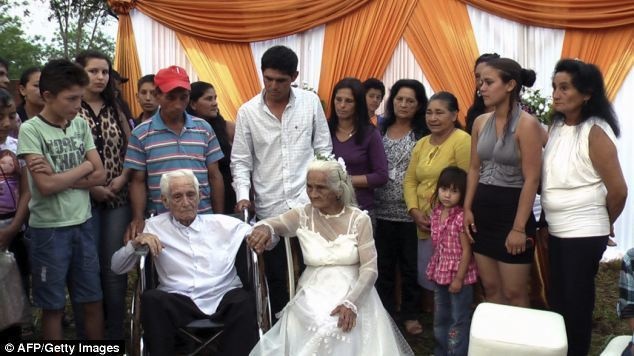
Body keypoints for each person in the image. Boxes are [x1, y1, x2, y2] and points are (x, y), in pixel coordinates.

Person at [248, 158, 414, 355]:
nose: (312, 194)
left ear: (338, 190)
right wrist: (265, 228)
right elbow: (273, 223)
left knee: (340, 326)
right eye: (309, 186)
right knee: (318, 321)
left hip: (354, 290)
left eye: (321, 188)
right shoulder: (303, 215)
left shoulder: (359, 219)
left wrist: (352, 302)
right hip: (312, 290)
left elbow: (370, 269)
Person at [231, 45, 332, 318]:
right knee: (277, 276)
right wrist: (243, 194)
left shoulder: (310, 103)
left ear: (295, 76)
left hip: (309, 204)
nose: (274, 86)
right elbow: (241, 161)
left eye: (281, 80)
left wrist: (323, 190)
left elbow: (323, 149)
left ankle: (315, 331)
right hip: (270, 206)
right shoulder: (248, 112)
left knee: (316, 271)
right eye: (268, 79)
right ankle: (281, 333)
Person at [112, 169, 259, 356]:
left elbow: (264, 235)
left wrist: (265, 231)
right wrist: (135, 244)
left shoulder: (223, 224)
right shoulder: (153, 227)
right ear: (165, 201)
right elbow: (117, 267)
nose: (186, 202)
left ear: (199, 197)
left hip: (223, 295)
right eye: (177, 197)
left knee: (245, 301)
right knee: (151, 300)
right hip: (178, 300)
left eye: (191, 195)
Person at [542, 58, 627, 356]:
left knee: (576, 303)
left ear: (587, 93)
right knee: (560, 299)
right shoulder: (556, 127)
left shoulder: (595, 131)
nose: (556, 94)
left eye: (565, 88)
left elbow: (618, 190)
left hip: (584, 231)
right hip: (557, 229)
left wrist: (603, 223)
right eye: (555, 87)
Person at [17, 59, 107, 340]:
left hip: (84, 222)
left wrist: (61, 177)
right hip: (49, 230)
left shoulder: (79, 125)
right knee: (53, 306)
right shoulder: (31, 130)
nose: (78, 105)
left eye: (80, 97)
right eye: (71, 99)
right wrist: (82, 168)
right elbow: (44, 186)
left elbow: (101, 173)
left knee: (92, 299)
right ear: (48, 96)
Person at [463, 57, 543, 308]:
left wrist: (519, 228)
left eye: (488, 82)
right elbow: (474, 168)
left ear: (509, 85)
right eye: (480, 82)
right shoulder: (479, 122)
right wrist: (466, 208)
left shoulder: (528, 124)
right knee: (492, 290)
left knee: (515, 294)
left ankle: (520, 347)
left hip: (512, 214)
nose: (481, 88)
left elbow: (532, 178)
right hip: (482, 214)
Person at [124, 65, 225, 242]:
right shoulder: (141, 134)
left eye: (183, 97)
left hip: (202, 217)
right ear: (157, 95)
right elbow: (138, 181)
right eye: (171, 97)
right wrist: (138, 217)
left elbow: (215, 176)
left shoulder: (203, 128)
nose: (178, 104)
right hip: (162, 223)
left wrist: (218, 217)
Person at [74, 50, 132, 340]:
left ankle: (116, 334)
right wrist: (92, 186)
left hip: (118, 199)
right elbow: (66, 157)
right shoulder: (71, 106)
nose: (100, 77)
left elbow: (131, 150)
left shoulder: (117, 106)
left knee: (114, 267)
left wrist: (121, 180)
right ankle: (88, 337)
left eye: (105, 72)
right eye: (93, 71)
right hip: (81, 199)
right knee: (87, 268)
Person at [403, 91, 470, 316]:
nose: (432, 118)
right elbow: (410, 179)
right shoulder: (421, 143)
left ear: (453, 115)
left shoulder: (462, 140)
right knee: (430, 272)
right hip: (424, 222)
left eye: (439, 112)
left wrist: (454, 216)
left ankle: (456, 322)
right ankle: (439, 320)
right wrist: (414, 210)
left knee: (452, 271)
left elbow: (468, 181)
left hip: (452, 225)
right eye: (429, 112)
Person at [374, 79, 428, 335]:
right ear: (392, 100)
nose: (403, 104)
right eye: (399, 99)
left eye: (410, 101)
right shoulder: (379, 128)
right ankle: (383, 312)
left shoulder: (424, 132)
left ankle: (409, 313)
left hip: (410, 211)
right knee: (383, 265)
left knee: (410, 267)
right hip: (380, 208)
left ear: (418, 105)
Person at [427, 167, 477, 356]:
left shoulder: (460, 218)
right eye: (444, 189)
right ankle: (441, 350)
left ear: (463, 194)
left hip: (459, 275)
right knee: (441, 315)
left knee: (458, 318)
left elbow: (466, 251)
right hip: (441, 272)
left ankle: (456, 352)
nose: (447, 195)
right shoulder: (436, 213)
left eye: (454, 191)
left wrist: (459, 278)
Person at [329, 77, 388, 215]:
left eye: (349, 101)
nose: (342, 105)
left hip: (359, 209)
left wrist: (343, 180)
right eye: (338, 99)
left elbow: (381, 176)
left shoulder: (370, 133)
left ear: (359, 104)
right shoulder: (324, 129)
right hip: (327, 207)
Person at [0, 88, 31, 341]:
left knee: (15, 297)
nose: (6, 123)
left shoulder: (16, 146)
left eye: (11, 116)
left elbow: (27, 191)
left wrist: (14, 227)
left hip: (14, 232)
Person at [187, 81, 236, 214]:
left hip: (229, 195)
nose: (215, 103)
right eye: (209, 99)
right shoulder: (185, 132)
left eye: (215, 98)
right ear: (192, 104)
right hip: (197, 198)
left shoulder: (228, 128)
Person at [465, 53, 500, 134]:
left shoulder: (522, 112)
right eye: (477, 76)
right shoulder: (473, 112)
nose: (481, 81)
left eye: (487, 76)